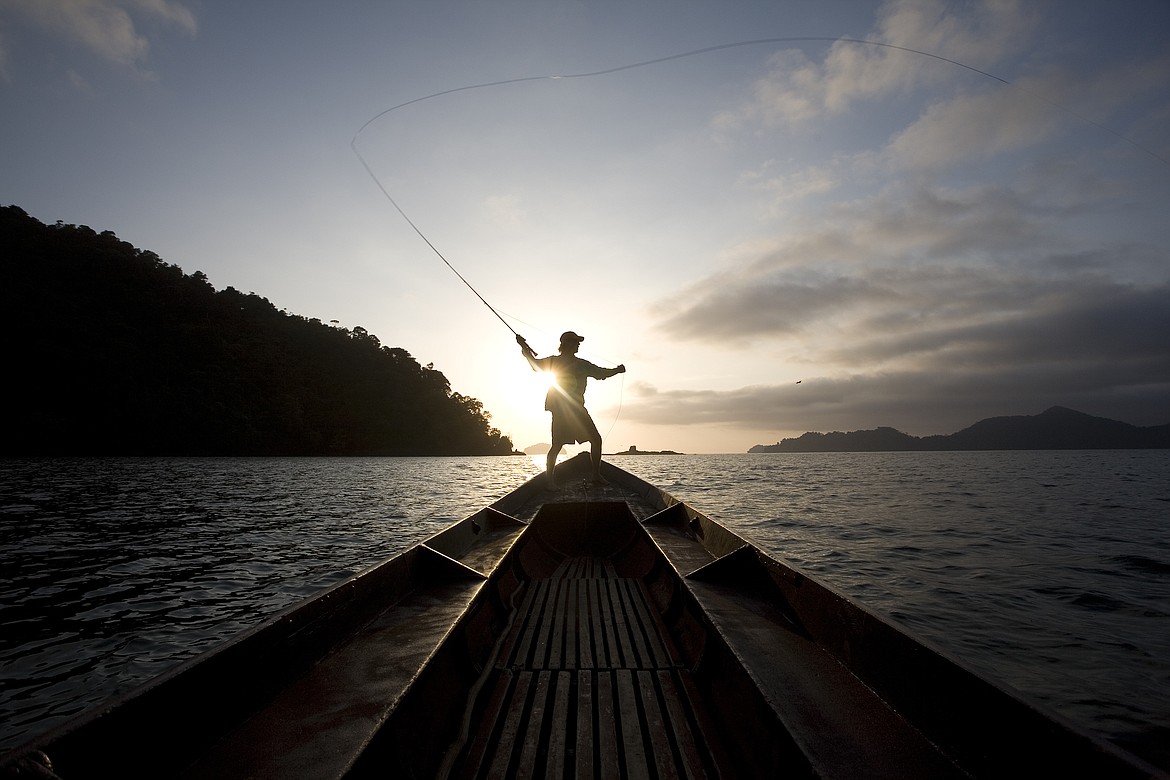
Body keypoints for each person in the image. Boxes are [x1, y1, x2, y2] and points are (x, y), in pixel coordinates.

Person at [517, 331, 625, 488]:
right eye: (575, 342)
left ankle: (595, 475)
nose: (578, 344)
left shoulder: (582, 364)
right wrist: (524, 348)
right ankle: (550, 482)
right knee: (557, 445)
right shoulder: (554, 361)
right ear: (566, 344)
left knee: (596, 439)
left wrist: (616, 370)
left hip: (578, 410)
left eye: (578, 342)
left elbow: (601, 373)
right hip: (561, 410)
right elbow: (535, 365)